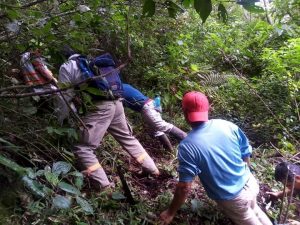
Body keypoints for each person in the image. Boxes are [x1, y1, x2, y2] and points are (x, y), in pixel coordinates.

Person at [159, 91, 272, 225]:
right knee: (255, 210)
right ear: (208, 109)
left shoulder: (187, 146)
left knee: (248, 216)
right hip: (250, 183)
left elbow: (184, 187)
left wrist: (170, 213)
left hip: (234, 198)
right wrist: (242, 173)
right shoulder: (227, 125)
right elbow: (245, 152)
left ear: (184, 112)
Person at [57, 46, 159, 190]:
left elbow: (64, 96)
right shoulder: (90, 62)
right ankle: (153, 169)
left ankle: (104, 187)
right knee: (127, 137)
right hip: (117, 103)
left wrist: (60, 119)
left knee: (83, 147)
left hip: (101, 106)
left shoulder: (67, 66)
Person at [122, 83, 187, 151]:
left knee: (161, 126)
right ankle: (170, 151)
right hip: (151, 103)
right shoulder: (125, 86)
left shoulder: (117, 90)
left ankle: (188, 139)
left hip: (146, 106)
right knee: (157, 131)